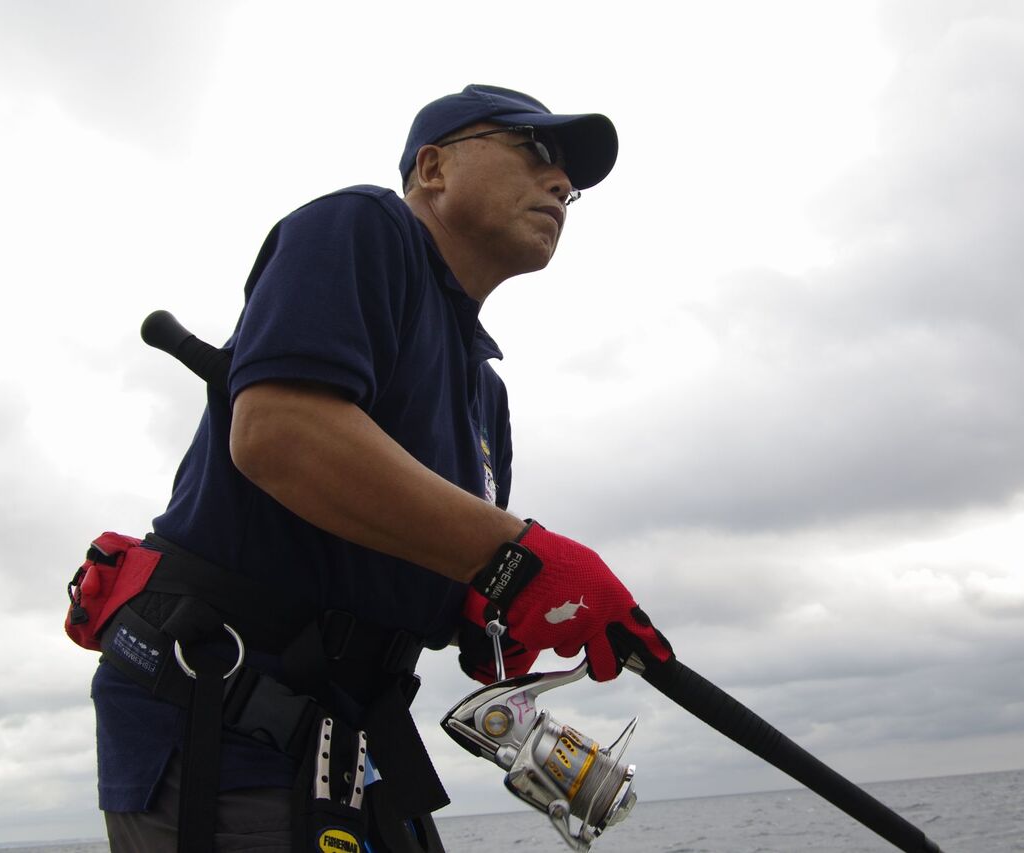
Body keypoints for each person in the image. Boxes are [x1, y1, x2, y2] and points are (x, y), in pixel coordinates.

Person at [88, 84, 673, 853]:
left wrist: (479, 607)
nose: (562, 182)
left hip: (353, 744)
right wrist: (513, 558)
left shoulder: (484, 391)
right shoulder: (363, 228)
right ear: (432, 167)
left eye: (571, 179)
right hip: (223, 727)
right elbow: (279, 434)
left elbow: (435, 546)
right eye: (536, 151)